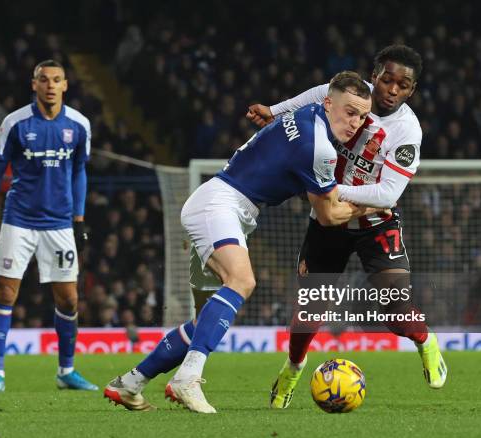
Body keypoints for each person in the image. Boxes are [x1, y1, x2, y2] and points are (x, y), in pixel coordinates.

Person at [105, 71, 384, 413]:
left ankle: (130, 383)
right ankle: (186, 379)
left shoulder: (306, 115)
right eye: (349, 111)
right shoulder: (321, 148)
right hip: (221, 204)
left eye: (362, 116)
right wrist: (376, 202)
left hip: (224, 205)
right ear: (328, 103)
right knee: (242, 281)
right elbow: (328, 215)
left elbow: (312, 99)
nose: (355, 122)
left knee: (205, 321)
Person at [246, 44, 447, 409]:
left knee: (397, 311)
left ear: (411, 90)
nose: (392, 89)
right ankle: (293, 369)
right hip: (329, 222)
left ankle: (426, 342)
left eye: (402, 85)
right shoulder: (352, 96)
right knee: (309, 313)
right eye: (387, 79)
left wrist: (333, 190)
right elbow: (318, 94)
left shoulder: (407, 131)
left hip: (375, 221)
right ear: (375, 75)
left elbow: (388, 193)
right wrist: (274, 111)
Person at [0, 59, 97, 392]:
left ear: (65, 85)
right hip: (19, 220)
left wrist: (80, 219)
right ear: (34, 84)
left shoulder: (79, 124)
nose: (50, 85)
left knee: (69, 299)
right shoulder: (15, 123)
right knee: (5, 291)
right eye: (43, 79)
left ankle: (66, 371)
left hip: (59, 223)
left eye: (56, 80)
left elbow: (79, 172)